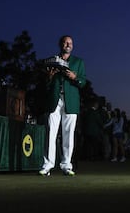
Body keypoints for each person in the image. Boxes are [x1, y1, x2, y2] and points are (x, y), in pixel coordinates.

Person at [39, 35, 86, 176]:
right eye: (65, 42)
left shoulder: (78, 62)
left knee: (68, 134)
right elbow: (45, 84)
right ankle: (47, 166)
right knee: (50, 134)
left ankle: (66, 166)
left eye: (70, 43)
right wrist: (49, 77)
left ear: (73, 45)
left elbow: (83, 82)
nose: (68, 44)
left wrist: (75, 77)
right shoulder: (53, 60)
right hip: (55, 100)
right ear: (60, 44)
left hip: (71, 101)